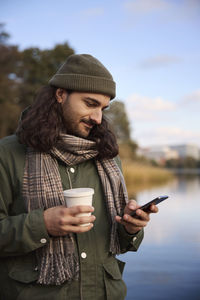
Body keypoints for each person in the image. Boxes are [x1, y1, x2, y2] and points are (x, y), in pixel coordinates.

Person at [0, 54, 158, 300]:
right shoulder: (8, 153)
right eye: (90, 103)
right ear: (61, 94)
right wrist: (42, 225)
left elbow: (120, 243)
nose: (97, 118)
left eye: (103, 109)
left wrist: (130, 229)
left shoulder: (108, 158)